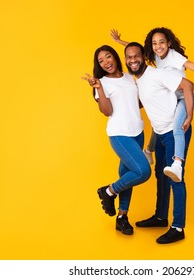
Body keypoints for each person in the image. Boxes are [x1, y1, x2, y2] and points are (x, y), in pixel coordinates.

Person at [112, 28, 194, 182]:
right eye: (154, 43)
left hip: (184, 97)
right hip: (172, 98)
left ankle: (177, 163)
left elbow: (192, 65)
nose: (158, 46)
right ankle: (149, 151)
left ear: (168, 43)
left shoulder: (174, 56)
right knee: (159, 125)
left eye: (162, 42)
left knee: (176, 127)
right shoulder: (156, 56)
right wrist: (119, 42)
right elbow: (136, 52)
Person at [124, 42, 194, 244]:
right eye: (129, 57)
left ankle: (178, 227)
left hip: (175, 132)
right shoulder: (139, 81)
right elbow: (144, 102)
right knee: (161, 175)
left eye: (137, 55)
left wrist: (189, 115)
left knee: (176, 178)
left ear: (143, 57)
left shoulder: (157, 74)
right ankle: (161, 216)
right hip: (160, 133)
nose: (133, 60)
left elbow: (188, 86)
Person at [82, 45, 151, 235]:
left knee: (128, 175)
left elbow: (136, 103)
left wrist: (155, 96)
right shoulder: (101, 83)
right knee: (143, 171)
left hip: (137, 131)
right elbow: (107, 111)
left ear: (115, 57)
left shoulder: (130, 77)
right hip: (120, 134)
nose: (106, 62)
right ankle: (108, 192)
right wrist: (99, 89)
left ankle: (122, 217)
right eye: (101, 61)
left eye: (108, 57)